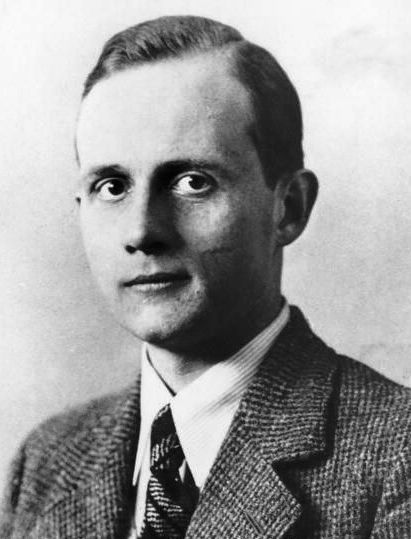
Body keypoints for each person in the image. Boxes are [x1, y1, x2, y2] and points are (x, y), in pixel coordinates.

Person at [1, 15, 410, 539]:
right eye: (112, 186)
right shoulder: (45, 461)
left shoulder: (395, 458)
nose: (142, 231)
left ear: (289, 207)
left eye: (193, 182)